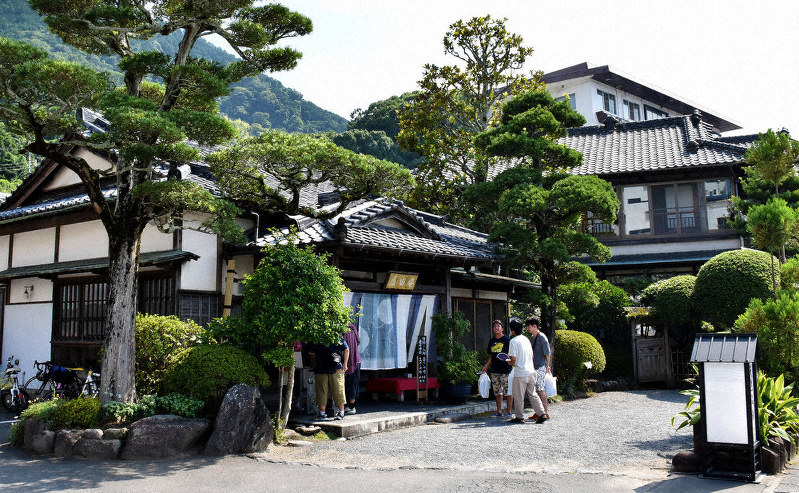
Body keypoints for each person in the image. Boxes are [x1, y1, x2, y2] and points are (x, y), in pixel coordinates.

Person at [506, 318, 547, 424]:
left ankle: (519, 417)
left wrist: (509, 362)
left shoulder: (513, 341)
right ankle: (542, 414)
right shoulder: (526, 339)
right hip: (531, 371)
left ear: (512, 330)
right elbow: (532, 355)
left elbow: (513, 359)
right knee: (533, 394)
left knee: (519, 396)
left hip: (520, 373)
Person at [307, 339, 349, 421]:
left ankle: (322, 413)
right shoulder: (337, 334)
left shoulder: (317, 336)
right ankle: (341, 412)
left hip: (320, 367)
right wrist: (345, 364)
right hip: (336, 366)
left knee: (321, 390)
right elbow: (346, 349)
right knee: (338, 388)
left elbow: (311, 352)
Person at [481, 319, 513, 417]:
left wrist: (509, 362)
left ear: (502, 328)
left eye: (498, 326)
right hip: (495, 369)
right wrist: (486, 365)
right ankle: (499, 411)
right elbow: (491, 355)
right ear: (493, 329)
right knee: (497, 391)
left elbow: (511, 354)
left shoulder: (507, 340)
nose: (496, 328)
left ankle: (509, 412)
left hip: (506, 369)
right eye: (495, 326)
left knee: (508, 391)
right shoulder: (492, 341)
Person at [526, 316, 551, 419]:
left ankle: (544, 412)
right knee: (535, 390)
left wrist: (547, 366)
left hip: (540, 366)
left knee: (540, 389)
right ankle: (539, 412)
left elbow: (548, 353)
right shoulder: (533, 338)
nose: (528, 328)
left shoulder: (542, 337)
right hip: (533, 367)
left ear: (534, 326)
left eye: (529, 326)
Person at [343, 323, 362, 415]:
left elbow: (346, 348)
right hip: (356, 359)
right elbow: (358, 341)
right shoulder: (353, 327)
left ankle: (351, 406)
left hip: (350, 361)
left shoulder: (345, 330)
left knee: (350, 384)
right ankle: (350, 406)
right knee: (353, 384)